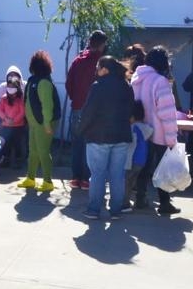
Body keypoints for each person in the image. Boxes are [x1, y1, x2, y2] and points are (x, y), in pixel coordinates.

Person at [76, 57, 134, 220]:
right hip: (121, 136)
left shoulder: (97, 86)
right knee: (117, 175)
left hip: (98, 137)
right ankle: (116, 210)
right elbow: (131, 111)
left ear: (105, 69)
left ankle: (94, 210)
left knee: (97, 174)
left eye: (98, 67)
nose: (96, 70)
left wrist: (80, 131)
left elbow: (88, 113)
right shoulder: (126, 86)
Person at [131, 46, 180, 216]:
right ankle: (165, 203)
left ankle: (140, 198)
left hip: (141, 130)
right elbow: (167, 113)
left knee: (143, 166)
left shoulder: (136, 79)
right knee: (162, 169)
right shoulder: (160, 81)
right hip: (159, 133)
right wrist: (172, 138)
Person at [65, 30, 107, 190]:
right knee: (92, 144)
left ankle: (76, 177)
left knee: (77, 143)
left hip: (77, 107)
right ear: (102, 44)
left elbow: (69, 84)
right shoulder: (102, 63)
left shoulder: (78, 60)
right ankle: (87, 178)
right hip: (95, 111)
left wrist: (75, 98)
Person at [19, 50, 60, 192]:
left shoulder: (43, 82)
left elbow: (47, 105)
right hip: (35, 123)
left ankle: (48, 181)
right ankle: (30, 178)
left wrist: (47, 124)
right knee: (33, 151)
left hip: (44, 123)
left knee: (43, 151)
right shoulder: (33, 81)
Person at [123, 101, 154, 212]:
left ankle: (124, 204)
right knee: (131, 182)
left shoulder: (133, 129)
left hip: (131, 161)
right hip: (141, 162)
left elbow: (130, 146)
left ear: (132, 117)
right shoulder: (146, 129)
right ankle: (128, 202)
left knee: (125, 182)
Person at [0, 76, 27, 169]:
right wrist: (6, 119)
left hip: (18, 126)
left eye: (13, 87)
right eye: (9, 87)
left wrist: (13, 121)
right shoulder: (4, 98)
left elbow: (22, 112)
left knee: (17, 144)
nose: (10, 89)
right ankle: (5, 160)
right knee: (6, 144)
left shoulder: (21, 98)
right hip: (6, 125)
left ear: (17, 88)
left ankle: (18, 162)